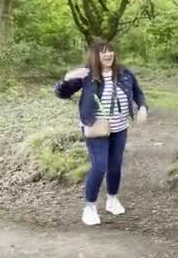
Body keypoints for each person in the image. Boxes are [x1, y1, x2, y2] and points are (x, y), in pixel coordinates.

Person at [53, 41, 148, 226]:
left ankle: (112, 199)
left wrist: (143, 107)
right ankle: (89, 207)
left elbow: (138, 92)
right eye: (103, 52)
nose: (108, 55)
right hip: (96, 128)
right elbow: (62, 93)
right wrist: (67, 78)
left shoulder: (124, 73)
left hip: (119, 127)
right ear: (95, 56)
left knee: (115, 165)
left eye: (110, 51)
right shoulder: (87, 74)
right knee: (100, 166)